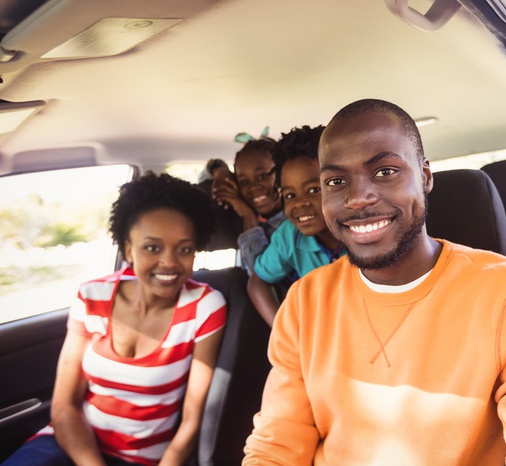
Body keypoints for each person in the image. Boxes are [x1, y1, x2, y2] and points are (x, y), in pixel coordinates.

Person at [242, 99, 506, 464]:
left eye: (385, 171)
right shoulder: (304, 302)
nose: (358, 198)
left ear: (424, 176)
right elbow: (278, 441)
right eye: (337, 180)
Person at [3, 173, 227, 466]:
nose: (170, 262)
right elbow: (65, 405)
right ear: (128, 249)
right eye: (152, 247)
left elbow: (192, 422)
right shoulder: (92, 295)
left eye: (184, 249)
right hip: (71, 443)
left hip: (144, 460)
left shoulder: (205, 307)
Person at [247, 125, 346, 326]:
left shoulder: (365, 229)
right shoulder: (289, 235)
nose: (300, 203)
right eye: (290, 195)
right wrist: (282, 332)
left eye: (313, 190)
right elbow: (257, 282)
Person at [205, 135, 286, 275]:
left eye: (262, 176)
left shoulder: (293, 226)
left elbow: (259, 277)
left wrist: (247, 214)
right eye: (244, 182)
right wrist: (220, 170)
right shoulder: (251, 221)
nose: (253, 187)